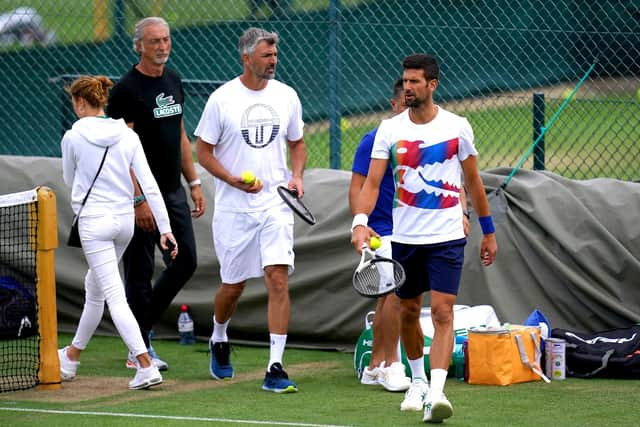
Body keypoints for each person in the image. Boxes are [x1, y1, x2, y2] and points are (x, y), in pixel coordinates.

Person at [351, 54, 497, 423]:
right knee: (409, 311)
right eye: (405, 81)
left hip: (447, 236)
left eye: (415, 82)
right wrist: (359, 222)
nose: (408, 87)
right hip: (405, 238)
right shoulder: (389, 130)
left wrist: (488, 230)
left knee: (445, 311)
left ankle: (436, 393)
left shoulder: (458, 127)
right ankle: (416, 381)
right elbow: (371, 183)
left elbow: (474, 183)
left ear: (432, 85)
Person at [194, 27, 306, 394]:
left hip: (275, 204)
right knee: (234, 285)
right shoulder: (221, 99)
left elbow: (298, 143)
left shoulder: (287, 95)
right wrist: (230, 178)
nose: (273, 61)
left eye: (275, 55)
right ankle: (219, 335)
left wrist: (298, 177)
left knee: (277, 278)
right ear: (246, 58)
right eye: (266, 55)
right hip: (234, 209)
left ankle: (275, 366)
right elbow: (203, 152)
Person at [350, 78, 470, 393]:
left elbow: (448, 181)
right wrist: (360, 224)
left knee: (396, 296)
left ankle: (376, 365)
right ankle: (389, 364)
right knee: (393, 293)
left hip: (421, 227)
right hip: (383, 228)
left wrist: (461, 212)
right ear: (395, 105)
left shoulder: (438, 133)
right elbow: (359, 187)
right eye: (404, 103)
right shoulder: (376, 138)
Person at [58, 75, 178, 390]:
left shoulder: (72, 138)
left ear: (80, 102)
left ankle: (144, 364)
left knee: (113, 294)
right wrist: (165, 229)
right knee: (95, 288)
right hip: (124, 223)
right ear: (103, 100)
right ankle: (70, 357)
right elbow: (149, 184)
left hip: (95, 223)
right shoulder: (127, 135)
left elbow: (70, 180)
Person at [107, 16, 205, 371]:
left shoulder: (174, 80)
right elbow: (121, 151)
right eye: (154, 41)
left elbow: (180, 135)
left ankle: (140, 328)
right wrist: (138, 199)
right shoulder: (125, 91)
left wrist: (193, 183)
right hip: (137, 197)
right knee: (140, 271)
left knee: (186, 260)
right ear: (139, 46)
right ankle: (139, 349)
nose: (162, 46)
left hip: (172, 191)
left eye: (166, 39)